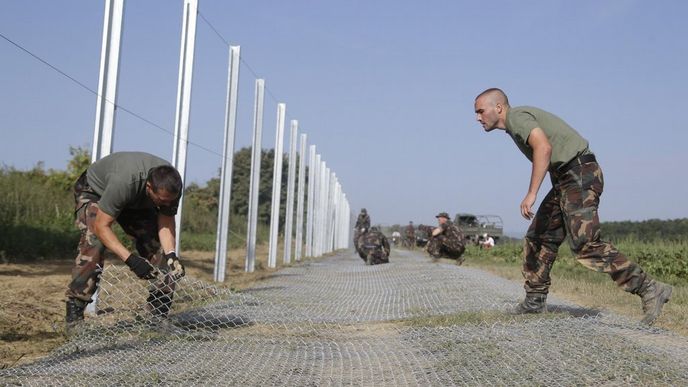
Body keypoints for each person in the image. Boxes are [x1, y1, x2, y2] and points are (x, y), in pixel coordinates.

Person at [474, 88, 672, 324]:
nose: (478, 117)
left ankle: (649, 288)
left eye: (480, 111)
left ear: (498, 108)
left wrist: (531, 193)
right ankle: (534, 301)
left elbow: (544, 148)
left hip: (579, 174)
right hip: (566, 178)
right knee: (538, 236)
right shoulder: (515, 125)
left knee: (585, 244)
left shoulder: (516, 117)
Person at [65, 151, 186, 325]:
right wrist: (131, 260)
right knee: (95, 243)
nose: (166, 205)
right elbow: (101, 227)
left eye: (169, 202)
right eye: (161, 201)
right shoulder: (124, 182)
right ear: (149, 187)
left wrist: (171, 255)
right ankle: (74, 316)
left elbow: (166, 221)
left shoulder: (171, 187)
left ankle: (158, 316)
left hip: (135, 201)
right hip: (95, 191)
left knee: (162, 254)